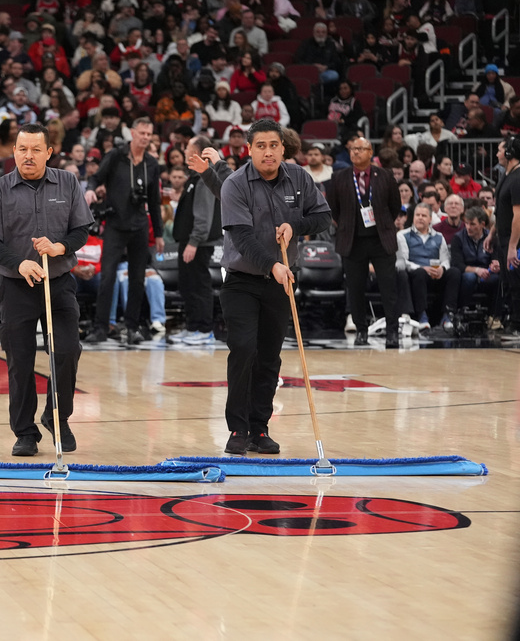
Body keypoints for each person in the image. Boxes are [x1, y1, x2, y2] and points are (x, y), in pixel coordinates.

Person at [0, 123, 94, 456]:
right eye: (22, 149)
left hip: (59, 283)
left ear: (49, 152)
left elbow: (81, 230)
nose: (28, 156)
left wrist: (60, 247)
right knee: (21, 361)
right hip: (16, 287)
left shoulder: (68, 182)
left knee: (68, 351)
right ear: (14, 152)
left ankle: (58, 418)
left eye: (35, 150)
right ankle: (25, 432)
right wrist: (19, 264)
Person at [218, 118, 332, 455]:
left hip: (280, 283)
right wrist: (273, 265)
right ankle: (237, 427)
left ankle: (259, 428)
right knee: (243, 350)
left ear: (283, 148)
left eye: (274, 145)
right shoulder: (235, 185)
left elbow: (323, 217)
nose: (268, 152)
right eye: (261, 146)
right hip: (241, 281)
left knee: (269, 358)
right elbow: (242, 237)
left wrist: (294, 224)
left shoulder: (299, 177)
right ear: (249, 149)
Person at [84, 117, 165, 344]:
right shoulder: (116, 156)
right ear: (132, 132)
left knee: (137, 279)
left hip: (139, 226)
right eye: (141, 133)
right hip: (115, 225)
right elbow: (96, 177)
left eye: (149, 134)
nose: (145, 138)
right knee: (107, 277)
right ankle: (101, 327)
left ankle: (132, 327)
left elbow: (156, 202)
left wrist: (158, 233)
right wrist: (90, 191)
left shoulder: (151, 163)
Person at [328, 136, 402, 347]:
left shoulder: (385, 175)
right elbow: (333, 207)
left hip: (381, 240)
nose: (355, 152)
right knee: (356, 289)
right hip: (352, 241)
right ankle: (361, 331)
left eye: (360, 149)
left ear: (371, 153)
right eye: (352, 149)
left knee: (389, 289)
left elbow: (394, 205)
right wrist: (346, 224)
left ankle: (392, 333)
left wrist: (384, 223)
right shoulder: (339, 177)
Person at [172, 138, 228, 345]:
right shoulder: (193, 177)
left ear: (197, 151)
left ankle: (204, 329)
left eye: (187, 147)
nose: (185, 150)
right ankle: (193, 326)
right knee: (188, 286)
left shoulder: (205, 177)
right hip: (188, 240)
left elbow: (203, 215)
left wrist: (194, 242)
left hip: (198, 243)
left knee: (199, 285)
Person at [396, 202, 454, 332]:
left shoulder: (438, 236)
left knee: (454, 273)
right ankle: (422, 316)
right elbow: (404, 260)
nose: (420, 218)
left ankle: (447, 315)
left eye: (423, 215)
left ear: (430, 219)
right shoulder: (403, 235)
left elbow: (445, 259)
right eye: (417, 215)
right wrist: (422, 268)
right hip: (415, 274)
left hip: (435, 274)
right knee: (420, 273)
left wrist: (442, 269)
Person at [446, 206, 499, 327]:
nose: (468, 227)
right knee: (469, 278)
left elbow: (495, 258)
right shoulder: (458, 238)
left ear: (482, 224)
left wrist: (495, 265)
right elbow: (457, 264)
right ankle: (463, 311)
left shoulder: (492, 238)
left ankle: (494, 315)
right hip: (467, 271)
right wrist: (477, 270)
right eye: (466, 223)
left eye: (472, 224)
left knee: (498, 279)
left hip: (487, 272)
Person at [492, 137, 520, 340]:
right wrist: (493, 232)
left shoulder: (518, 178)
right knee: (508, 282)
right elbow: (502, 210)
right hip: (502, 238)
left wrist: (513, 246)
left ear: (509, 154)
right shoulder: (506, 176)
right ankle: (513, 322)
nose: (497, 154)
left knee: (517, 281)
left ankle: (518, 326)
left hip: (514, 241)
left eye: (500, 151)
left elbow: (519, 215)